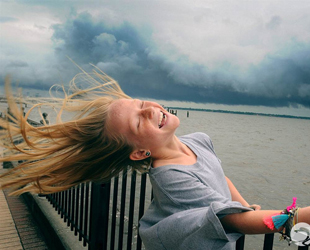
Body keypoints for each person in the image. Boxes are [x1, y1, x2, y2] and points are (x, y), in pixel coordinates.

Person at [0, 71, 309, 250]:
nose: (149, 110)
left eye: (142, 104)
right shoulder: (172, 179)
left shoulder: (197, 141)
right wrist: (293, 219)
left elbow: (221, 181)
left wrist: (247, 204)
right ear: (138, 153)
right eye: (138, 122)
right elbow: (232, 221)